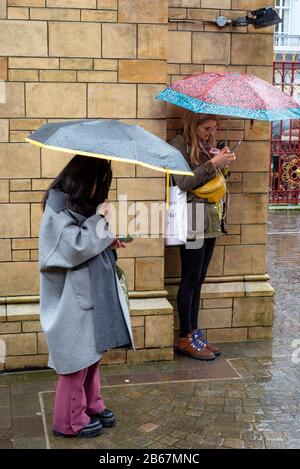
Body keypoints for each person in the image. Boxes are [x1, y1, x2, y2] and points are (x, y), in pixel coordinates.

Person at [39, 155, 134, 438]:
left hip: (88, 293)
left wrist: (108, 240)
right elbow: (72, 247)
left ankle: (91, 405)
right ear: (83, 179)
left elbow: (86, 240)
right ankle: (68, 421)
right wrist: (101, 221)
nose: (100, 190)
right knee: (75, 360)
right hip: (72, 298)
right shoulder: (57, 208)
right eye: (98, 183)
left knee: (91, 355)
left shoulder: (77, 204)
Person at [169, 111, 236, 361]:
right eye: (206, 128)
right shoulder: (178, 146)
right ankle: (185, 336)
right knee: (190, 277)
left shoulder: (206, 146)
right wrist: (212, 165)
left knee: (200, 278)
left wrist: (221, 163)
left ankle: (194, 333)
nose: (211, 133)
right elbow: (183, 183)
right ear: (192, 125)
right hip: (192, 219)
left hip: (209, 218)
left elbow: (213, 181)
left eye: (214, 128)